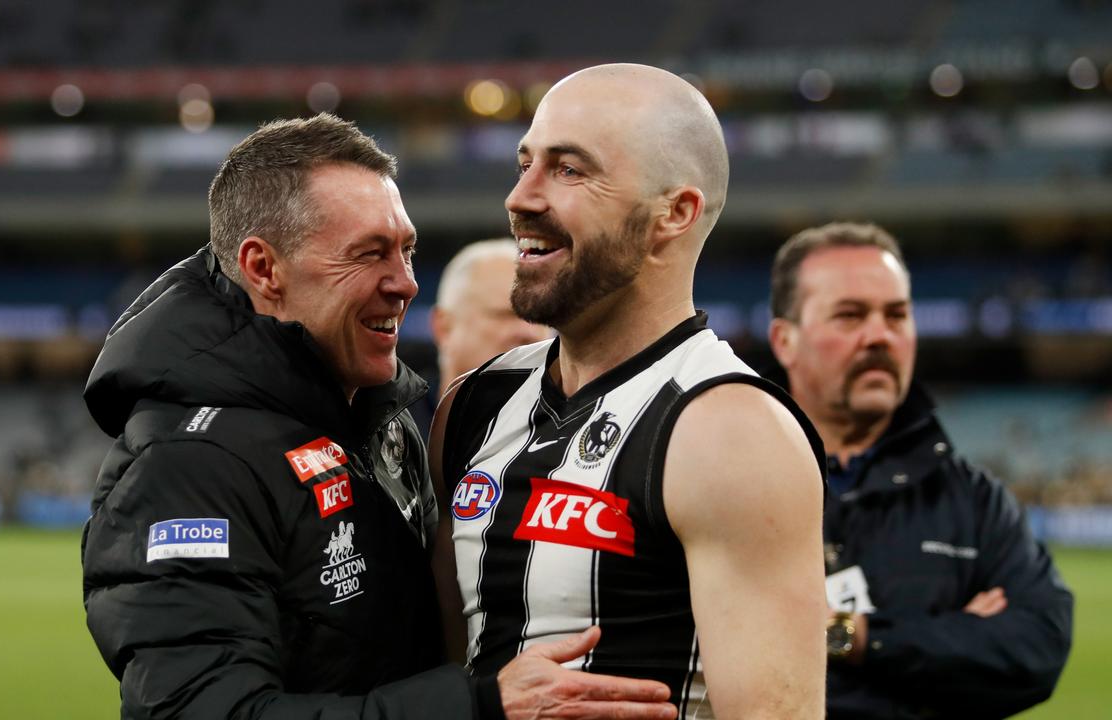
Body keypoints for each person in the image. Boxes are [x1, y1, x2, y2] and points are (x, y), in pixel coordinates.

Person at [81, 113, 677, 719]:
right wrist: (479, 709)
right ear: (264, 269)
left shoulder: (381, 422)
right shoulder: (190, 464)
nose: (407, 283)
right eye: (369, 254)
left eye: (407, 250)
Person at [430, 64, 828, 720]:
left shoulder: (731, 431)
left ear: (674, 213)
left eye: (569, 170)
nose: (520, 197)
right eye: (525, 163)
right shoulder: (474, 404)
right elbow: (443, 673)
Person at [766, 221, 1074, 718]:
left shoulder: (974, 499)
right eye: (850, 316)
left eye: (897, 315)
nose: (879, 336)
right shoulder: (733, 480)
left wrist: (851, 636)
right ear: (785, 341)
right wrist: (950, 638)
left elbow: (1036, 648)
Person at [431, 239, 552, 396]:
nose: (531, 333)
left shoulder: (584, 416)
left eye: (540, 317)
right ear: (445, 328)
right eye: (505, 316)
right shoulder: (394, 416)